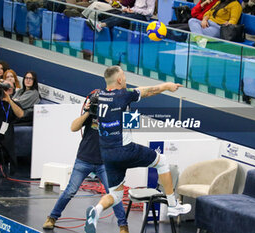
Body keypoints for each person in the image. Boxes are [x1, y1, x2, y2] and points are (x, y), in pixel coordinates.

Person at [84, 66, 191, 233]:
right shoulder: (123, 95)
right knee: (162, 162)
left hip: (107, 154)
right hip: (124, 149)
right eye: (124, 76)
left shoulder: (101, 95)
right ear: (119, 80)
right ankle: (173, 205)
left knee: (116, 195)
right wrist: (168, 86)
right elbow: (148, 91)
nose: (126, 79)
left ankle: (96, 212)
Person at [42, 97, 129, 233]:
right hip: (84, 159)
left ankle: (123, 226)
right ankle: (52, 217)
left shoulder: (114, 117)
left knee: (114, 194)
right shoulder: (90, 115)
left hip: (105, 163)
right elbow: (73, 127)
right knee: (70, 190)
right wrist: (88, 112)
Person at [87, 0, 155, 31]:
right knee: (116, 13)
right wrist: (129, 10)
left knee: (124, 17)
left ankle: (102, 25)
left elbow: (149, 12)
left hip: (142, 16)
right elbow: (135, 7)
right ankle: (99, 23)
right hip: (134, 12)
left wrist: (135, 10)